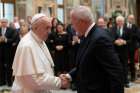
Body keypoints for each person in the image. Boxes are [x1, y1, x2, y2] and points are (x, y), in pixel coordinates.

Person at [60, 6, 124, 93]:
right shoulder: (87, 35)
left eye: (73, 23)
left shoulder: (99, 38)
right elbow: (87, 63)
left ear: (82, 21)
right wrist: (69, 76)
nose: (73, 27)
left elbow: (115, 72)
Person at [12, 13, 69, 93]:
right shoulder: (27, 45)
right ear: (35, 27)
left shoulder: (39, 39)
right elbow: (35, 79)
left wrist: (56, 77)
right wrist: (59, 82)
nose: (50, 32)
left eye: (50, 28)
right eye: (47, 28)